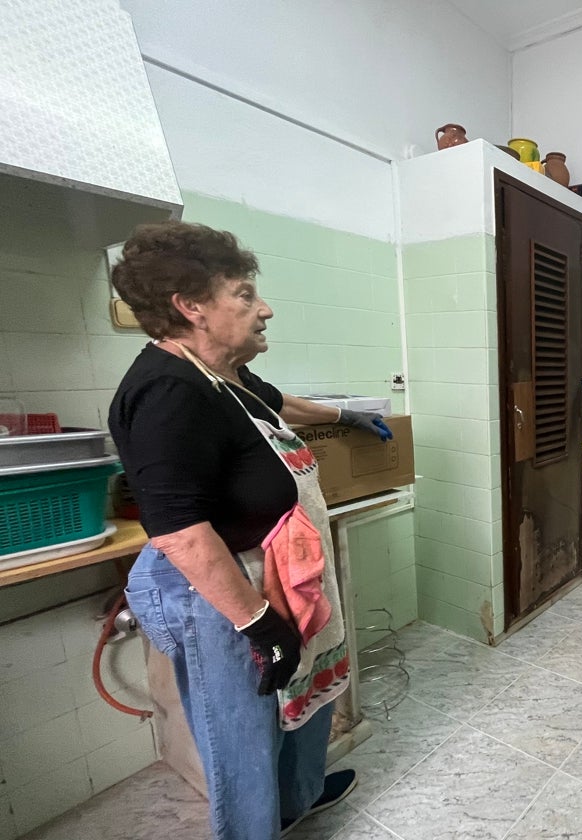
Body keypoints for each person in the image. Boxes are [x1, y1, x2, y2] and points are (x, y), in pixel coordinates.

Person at [108, 222, 391, 840]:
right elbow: (181, 533)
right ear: (192, 307)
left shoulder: (226, 377)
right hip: (216, 589)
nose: (264, 309)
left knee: (308, 694)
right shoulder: (165, 392)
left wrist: (350, 416)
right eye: (243, 295)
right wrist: (259, 624)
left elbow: (281, 402)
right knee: (241, 730)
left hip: (278, 571)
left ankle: (300, 797)